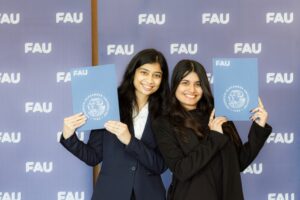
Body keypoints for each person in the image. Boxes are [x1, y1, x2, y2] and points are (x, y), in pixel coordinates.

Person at [153, 59, 272, 200]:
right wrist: (214, 137)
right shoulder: (164, 123)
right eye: (185, 83)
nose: (192, 90)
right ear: (175, 85)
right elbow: (182, 170)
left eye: (198, 84)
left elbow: (238, 163)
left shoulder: (219, 113)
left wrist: (259, 127)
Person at [60, 49, 170, 200]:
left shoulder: (167, 112)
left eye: (156, 75)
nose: (150, 80)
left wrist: (130, 141)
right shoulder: (109, 104)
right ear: (133, 73)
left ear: (162, 80)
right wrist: (69, 135)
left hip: (149, 194)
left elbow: (160, 165)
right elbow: (93, 157)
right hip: (110, 193)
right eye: (144, 72)